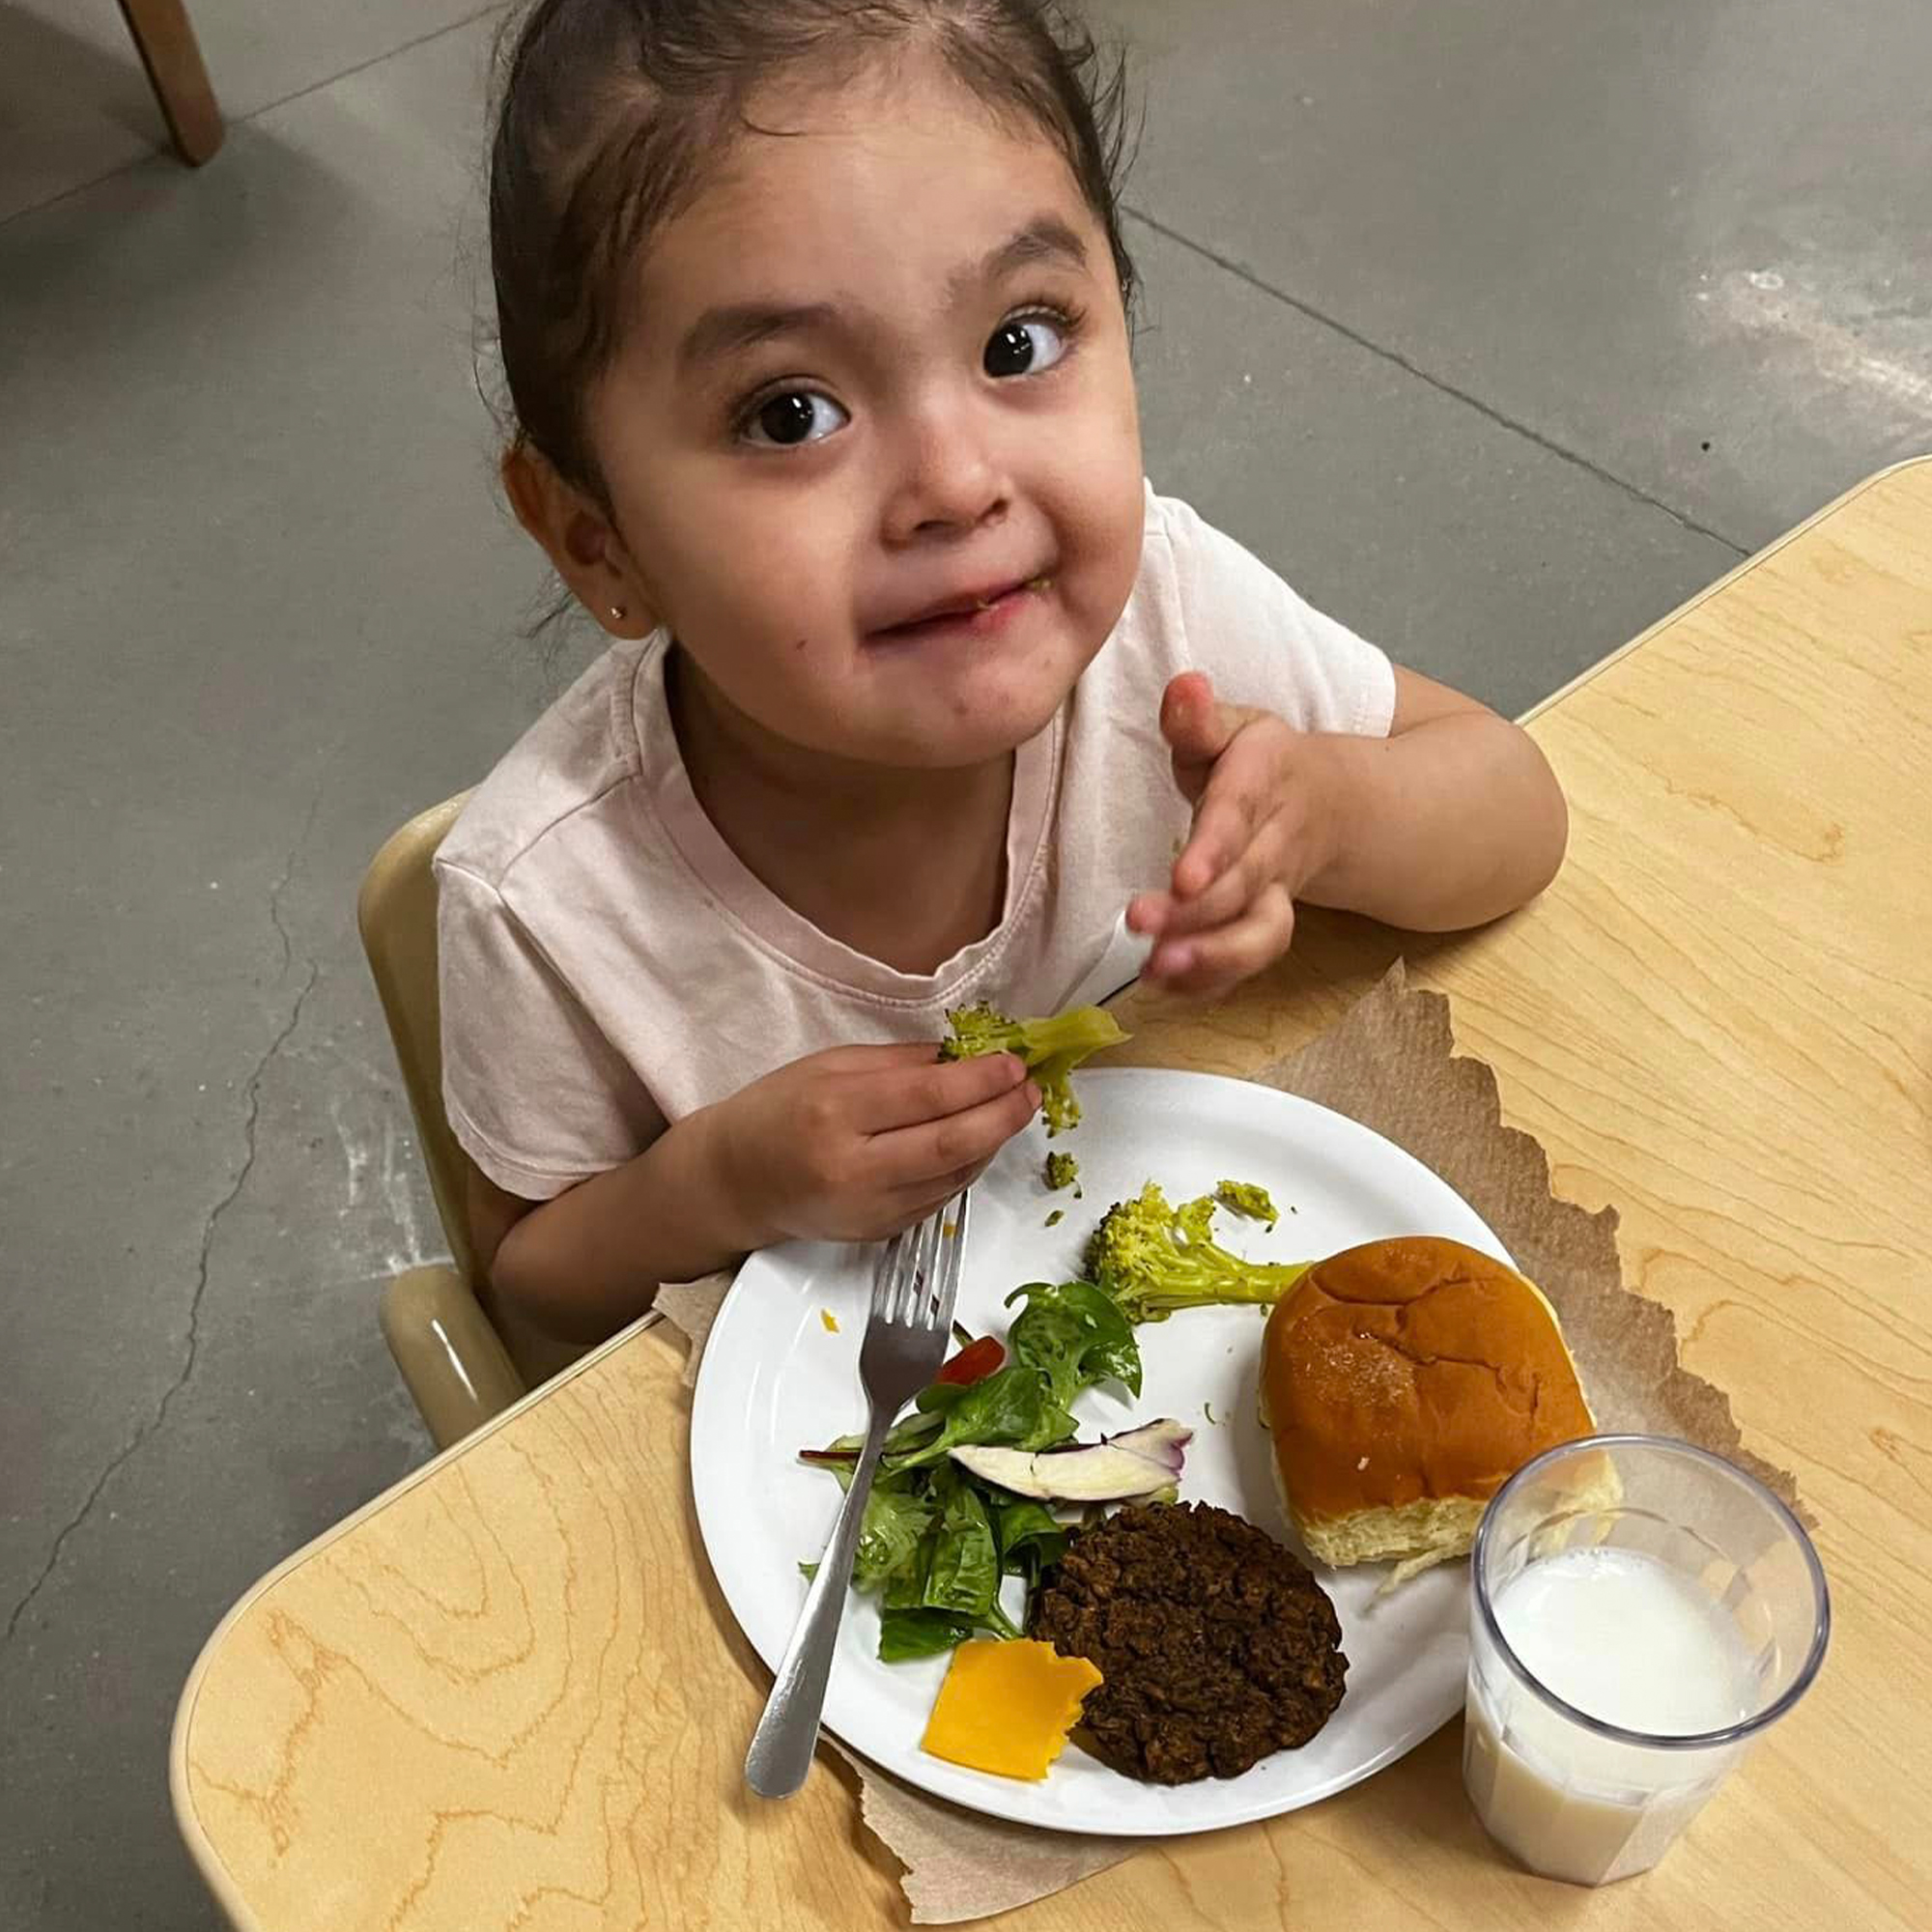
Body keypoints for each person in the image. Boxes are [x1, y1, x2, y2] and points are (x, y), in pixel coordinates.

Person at [437, 0, 1568, 1348]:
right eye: (788, 412)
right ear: (594, 535)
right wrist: (718, 1185)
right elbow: (531, 1283)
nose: (957, 485)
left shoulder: (1165, 622)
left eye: (1018, 342)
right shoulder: (546, 903)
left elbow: (1515, 810)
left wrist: (1330, 812)